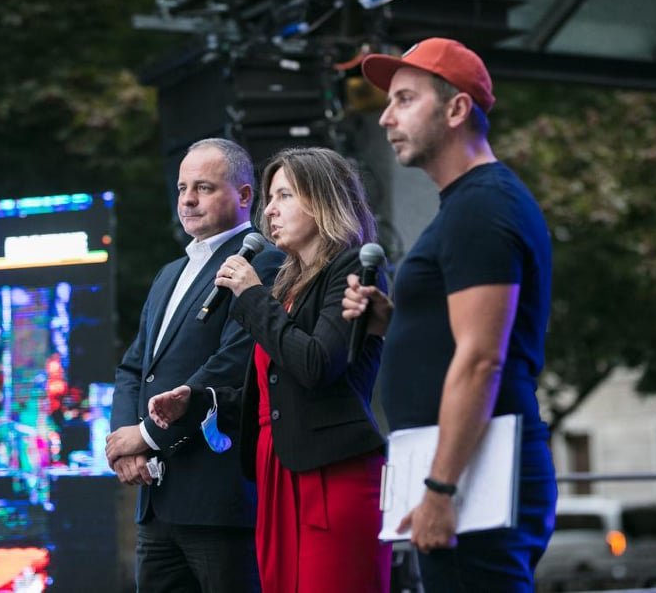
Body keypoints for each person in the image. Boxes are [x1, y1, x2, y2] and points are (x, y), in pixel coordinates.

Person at [342, 38, 557, 591]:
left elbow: (482, 358)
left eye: (406, 99)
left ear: (457, 109)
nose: (386, 117)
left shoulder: (481, 207)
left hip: (473, 475)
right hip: (469, 469)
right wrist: (392, 322)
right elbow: (463, 337)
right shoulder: (471, 204)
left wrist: (440, 490)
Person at [147, 147, 392, 593]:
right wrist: (199, 400)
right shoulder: (288, 284)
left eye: (284, 196)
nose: (270, 211)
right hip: (276, 474)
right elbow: (274, 390)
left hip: (330, 474)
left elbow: (316, 365)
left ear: (322, 200)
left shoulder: (353, 266)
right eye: (270, 197)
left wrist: (252, 295)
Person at [105, 138, 284, 593]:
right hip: (157, 499)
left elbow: (234, 364)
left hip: (218, 500)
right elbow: (134, 368)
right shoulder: (169, 273)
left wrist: (147, 435)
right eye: (183, 188)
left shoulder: (264, 262)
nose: (187, 199)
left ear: (244, 195)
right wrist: (127, 444)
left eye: (204, 187)